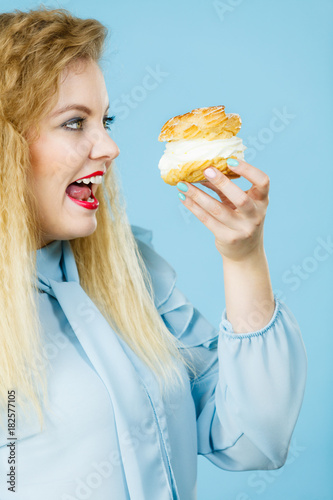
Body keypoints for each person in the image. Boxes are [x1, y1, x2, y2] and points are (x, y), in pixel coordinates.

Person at [0, 7, 307, 500]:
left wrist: (243, 256)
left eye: (106, 119)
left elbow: (255, 441)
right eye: (75, 122)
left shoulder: (130, 274)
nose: (109, 147)